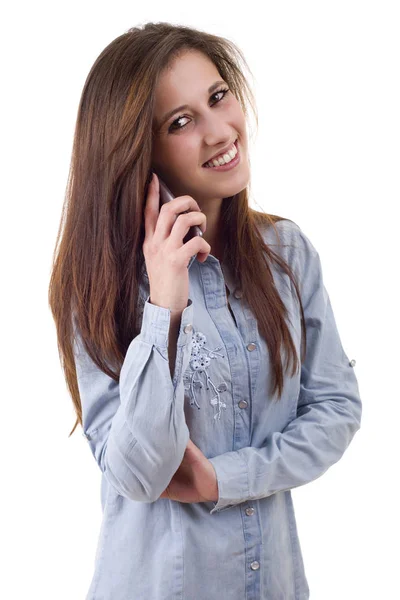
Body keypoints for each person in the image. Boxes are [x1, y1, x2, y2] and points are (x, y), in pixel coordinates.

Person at [48, 22, 362, 600]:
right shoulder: (96, 287)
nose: (221, 131)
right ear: (141, 150)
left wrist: (225, 479)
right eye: (182, 121)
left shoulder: (287, 254)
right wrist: (163, 304)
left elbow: (336, 408)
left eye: (218, 97)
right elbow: (138, 475)